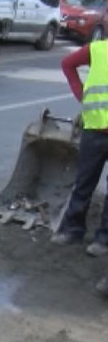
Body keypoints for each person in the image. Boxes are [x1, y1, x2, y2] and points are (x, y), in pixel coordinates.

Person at [51, 39, 108, 259]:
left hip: (93, 131)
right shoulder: (97, 49)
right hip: (94, 129)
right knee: (84, 183)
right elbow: (68, 64)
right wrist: (81, 94)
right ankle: (72, 230)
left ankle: (103, 240)